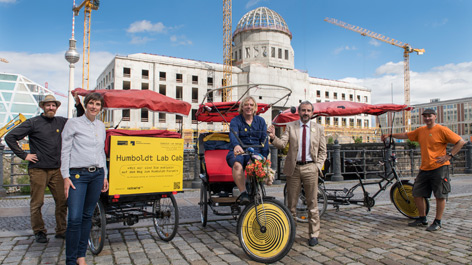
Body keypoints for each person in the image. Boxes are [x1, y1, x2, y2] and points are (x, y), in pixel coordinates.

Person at [5, 94, 84, 243]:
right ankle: (39, 231)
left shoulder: (61, 121)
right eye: (48, 105)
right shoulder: (32, 123)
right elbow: (10, 137)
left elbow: (79, 120)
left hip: (57, 169)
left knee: (62, 201)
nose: (51, 108)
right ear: (43, 107)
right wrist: (24, 155)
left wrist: (78, 103)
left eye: (53, 105)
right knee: (37, 203)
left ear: (56, 107)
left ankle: (61, 230)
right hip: (38, 169)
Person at [381, 108, 465, 232]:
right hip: (425, 167)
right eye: (425, 116)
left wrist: (449, 155)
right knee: (417, 192)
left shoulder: (442, 130)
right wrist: (390, 135)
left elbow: (460, 141)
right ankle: (422, 218)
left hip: (440, 167)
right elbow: (406, 135)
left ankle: (437, 221)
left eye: (429, 116)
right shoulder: (421, 131)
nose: (427, 118)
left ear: (435, 116)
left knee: (440, 195)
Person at [268, 101, 327, 246]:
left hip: (310, 168)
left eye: (308, 110)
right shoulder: (291, 126)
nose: (305, 113)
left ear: (312, 113)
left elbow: (323, 151)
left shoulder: (318, 128)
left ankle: (313, 234)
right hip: (293, 169)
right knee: (291, 204)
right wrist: (273, 137)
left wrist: (317, 167)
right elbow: (282, 145)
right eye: (303, 110)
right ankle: (290, 232)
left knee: (312, 203)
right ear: (299, 112)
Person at [61, 92, 108, 265]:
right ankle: (70, 260)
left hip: (97, 174)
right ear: (86, 104)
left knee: (87, 216)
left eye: (97, 104)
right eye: (91, 103)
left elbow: (101, 152)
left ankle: (81, 256)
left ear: (100, 108)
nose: (94, 107)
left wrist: (105, 175)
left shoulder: (101, 126)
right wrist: (65, 176)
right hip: (77, 175)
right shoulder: (73, 123)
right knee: (74, 218)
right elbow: (65, 151)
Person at [226, 96, 269, 205]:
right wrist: (236, 145)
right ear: (242, 107)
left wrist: (264, 155)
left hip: (255, 151)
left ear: (255, 108)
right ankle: (243, 192)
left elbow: (264, 139)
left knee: (257, 165)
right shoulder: (236, 121)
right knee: (237, 164)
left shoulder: (261, 121)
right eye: (246, 104)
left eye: (251, 105)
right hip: (240, 150)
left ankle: (253, 187)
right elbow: (233, 135)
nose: (248, 107)